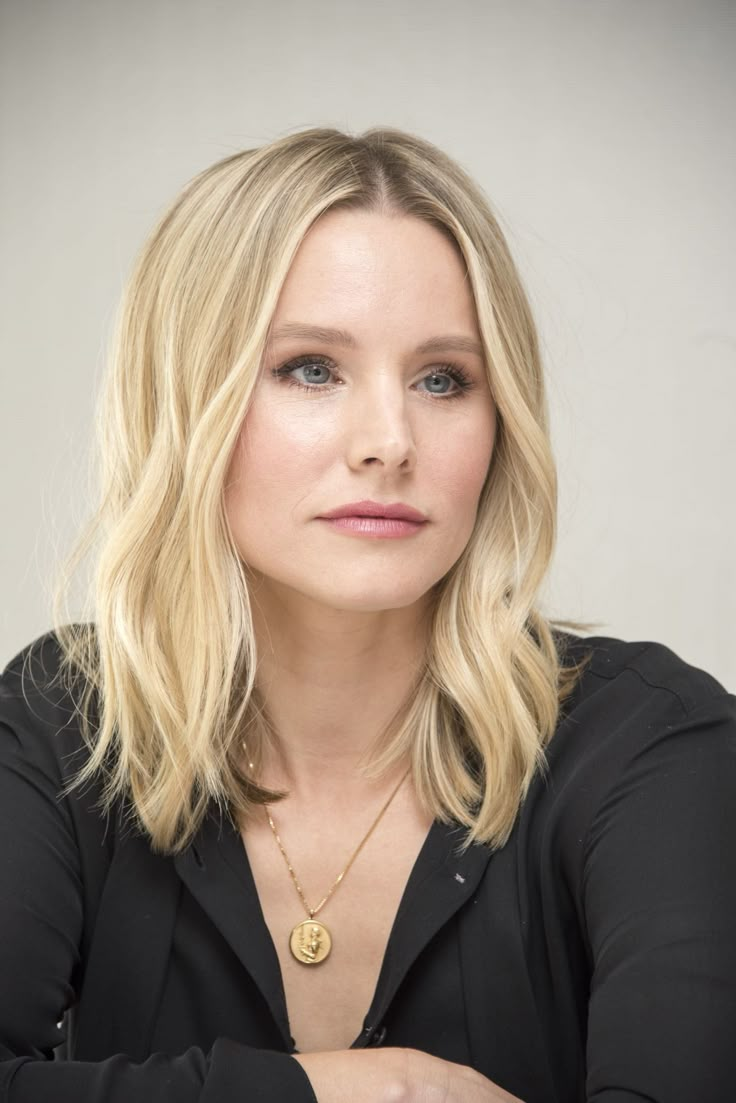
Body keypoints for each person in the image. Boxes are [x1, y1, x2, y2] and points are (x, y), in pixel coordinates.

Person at [0, 125, 734, 1103]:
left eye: (443, 379)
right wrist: (358, 1090)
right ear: (188, 403)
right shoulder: (64, 719)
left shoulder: (655, 743)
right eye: (311, 367)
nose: (389, 440)